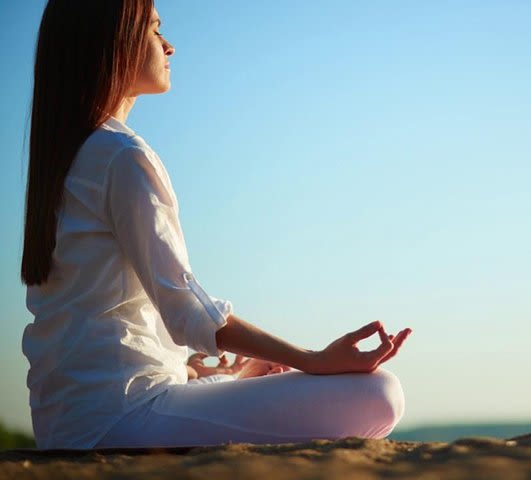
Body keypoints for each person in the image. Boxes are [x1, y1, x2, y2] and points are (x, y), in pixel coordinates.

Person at [21, 0, 411, 449]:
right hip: (119, 419)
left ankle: (220, 380)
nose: (168, 46)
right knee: (380, 393)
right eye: (154, 30)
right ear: (115, 43)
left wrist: (203, 373)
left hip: (73, 419)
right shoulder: (122, 157)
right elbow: (184, 307)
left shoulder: (68, 159)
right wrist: (313, 359)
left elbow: (97, 324)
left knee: (246, 375)